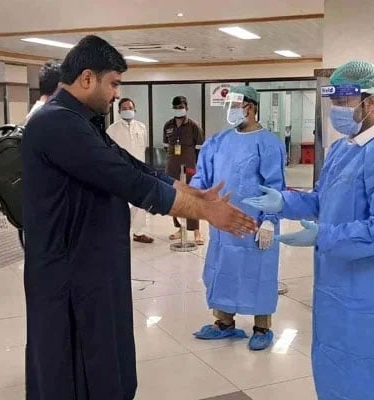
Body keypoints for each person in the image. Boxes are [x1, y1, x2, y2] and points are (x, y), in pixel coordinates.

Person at [22, 35, 258, 400]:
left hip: (94, 264)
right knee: (71, 363)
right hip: (68, 269)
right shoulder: (56, 123)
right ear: (88, 78)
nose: (116, 95)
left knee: (106, 353)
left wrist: (195, 194)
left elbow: (135, 167)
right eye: (113, 83)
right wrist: (205, 211)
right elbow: (128, 182)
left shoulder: (81, 121)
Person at [243, 60, 374, 399]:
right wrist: (285, 202)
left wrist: (324, 236)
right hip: (341, 287)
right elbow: (324, 200)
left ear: (367, 102)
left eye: (341, 102)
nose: (336, 110)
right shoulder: (344, 148)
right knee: (342, 368)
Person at [190, 86, 285, 351]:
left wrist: (269, 220)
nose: (230, 112)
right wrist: (194, 199)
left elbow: (275, 187)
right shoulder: (217, 141)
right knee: (223, 269)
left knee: (259, 271)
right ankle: (224, 322)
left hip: (255, 222)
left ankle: (262, 326)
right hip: (223, 223)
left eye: (235, 106)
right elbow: (202, 178)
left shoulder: (268, 143)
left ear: (250, 107)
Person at [107, 97, 154, 244]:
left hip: (139, 170)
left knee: (140, 202)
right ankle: (120, 233)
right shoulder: (112, 129)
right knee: (121, 203)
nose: (128, 110)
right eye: (125, 108)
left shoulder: (141, 127)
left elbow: (143, 147)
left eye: (130, 108)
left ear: (135, 110)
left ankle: (138, 232)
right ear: (119, 111)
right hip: (120, 171)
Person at [164, 95, 205, 245]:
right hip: (173, 166)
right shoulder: (168, 125)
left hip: (189, 167)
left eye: (181, 107)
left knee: (192, 197)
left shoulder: (194, 126)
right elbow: (165, 146)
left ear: (186, 108)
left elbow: (200, 150)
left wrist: (198, 168)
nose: (178, 110)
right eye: (176, 108)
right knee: (175, 197)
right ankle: (180, 228)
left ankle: (196, 230)